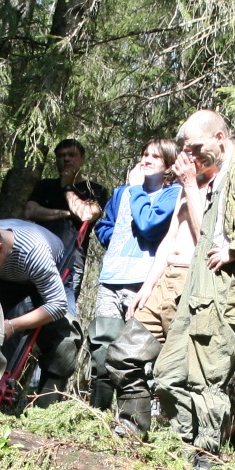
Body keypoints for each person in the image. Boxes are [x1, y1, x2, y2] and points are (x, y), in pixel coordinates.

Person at [152, 109, 235, 460]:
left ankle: (204, 455)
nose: (190, 156)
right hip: (197, 289)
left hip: (224, 294)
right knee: (166, 375)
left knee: (206, 380)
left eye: (196, 148)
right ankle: (182, 446)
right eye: (185, 149)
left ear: (219, 138)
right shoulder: (213, 176)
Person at [103, 147, 203, 435]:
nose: (187, 156)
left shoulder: (208, 187)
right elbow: (169, 240)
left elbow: (205, 238)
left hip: (192, 284)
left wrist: (191, 184)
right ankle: (132, 428)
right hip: (164, 280)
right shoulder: (185, 190)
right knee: (122, 355)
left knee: (177, 372)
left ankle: (185, 440)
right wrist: (146, 287)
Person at [88, 140, 181, 409]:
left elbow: (149, 225)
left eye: (155, 157)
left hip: (142, 282)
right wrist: (117, 242)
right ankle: (97, 412)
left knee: (133, 352)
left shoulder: (171, 194)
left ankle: (132, 417)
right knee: (102, 347)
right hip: (111, 278)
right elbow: (104, 225)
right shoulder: (121, 193)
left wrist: (138, 189)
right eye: (144, 155)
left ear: (168, 166)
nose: (146, 160)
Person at [0, 218, 81, 402]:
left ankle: (47, 407)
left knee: (63, 339)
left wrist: (12, 326)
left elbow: (58, 304)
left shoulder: (34, 253)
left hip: (52, 272)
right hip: (10, 277)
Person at [14, 138, 106, 295]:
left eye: (71, 155)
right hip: (37, 255)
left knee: (62, 308)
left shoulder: (95, 190)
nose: (66, 159)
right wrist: (68, 213)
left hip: (71, 260)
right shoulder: (45, 186)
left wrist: (67, 187)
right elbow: (30, 211)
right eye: (61, 156)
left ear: (81, 159)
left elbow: (86, 214)